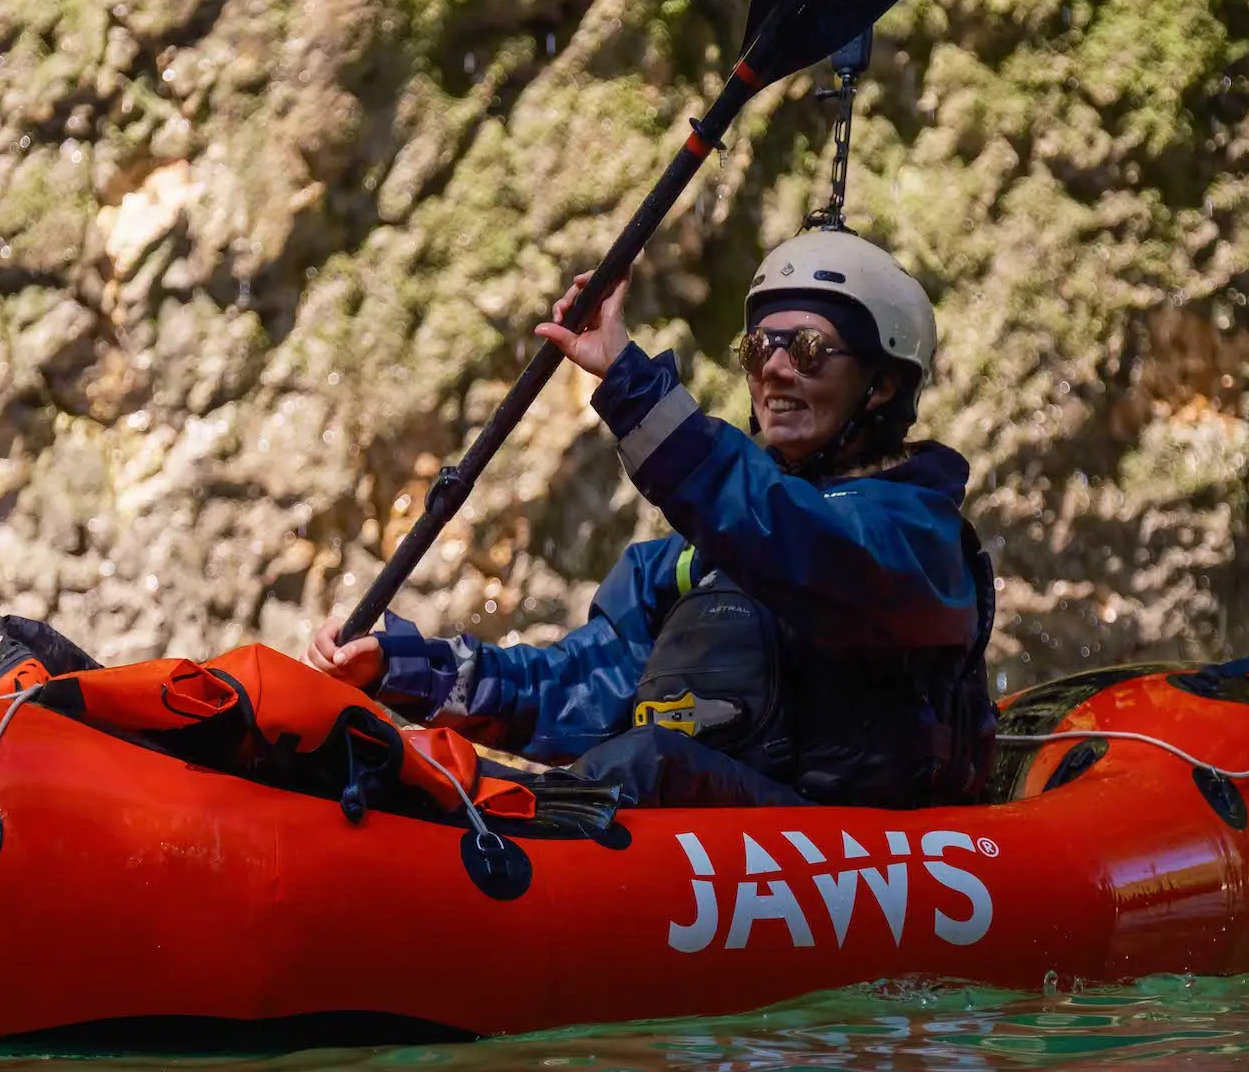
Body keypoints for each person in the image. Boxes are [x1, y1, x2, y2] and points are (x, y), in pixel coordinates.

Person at [308, 229, 997, 809]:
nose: (776, 371)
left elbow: (799, 542)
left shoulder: (915, 539)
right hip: (715, 848)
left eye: (810, 351)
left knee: (649, 760)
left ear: (879, 384)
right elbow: (571, 692)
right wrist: (401, 670)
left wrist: (632, 385)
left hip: (856, 845)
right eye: (760, 349)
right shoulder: (687, 561)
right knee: (620, 752)